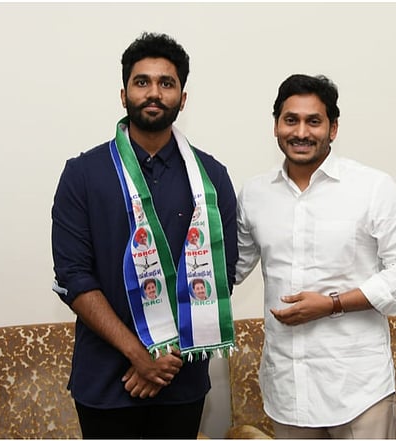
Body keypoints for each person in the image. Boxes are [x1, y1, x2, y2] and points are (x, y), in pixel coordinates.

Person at [51, 32, 237, 439]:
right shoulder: (82, 175)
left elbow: (220, 274)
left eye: (166, 83)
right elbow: (74, 277)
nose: (154, 92)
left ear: (182, 99)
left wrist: (163, 359)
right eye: (142, 82)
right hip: (106, 381)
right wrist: (139, 354)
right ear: (124, 95)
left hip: (180, 377)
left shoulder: (212, 178)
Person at [235, 74, 396, 439]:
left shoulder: (373, 187)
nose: (301, 132)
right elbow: (230, 270)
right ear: (276, 125)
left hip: (358, 389)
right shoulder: (254, 194)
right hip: (287, 386)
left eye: (314, 121)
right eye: (291, 120)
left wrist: (332, 304)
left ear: (333, 128)